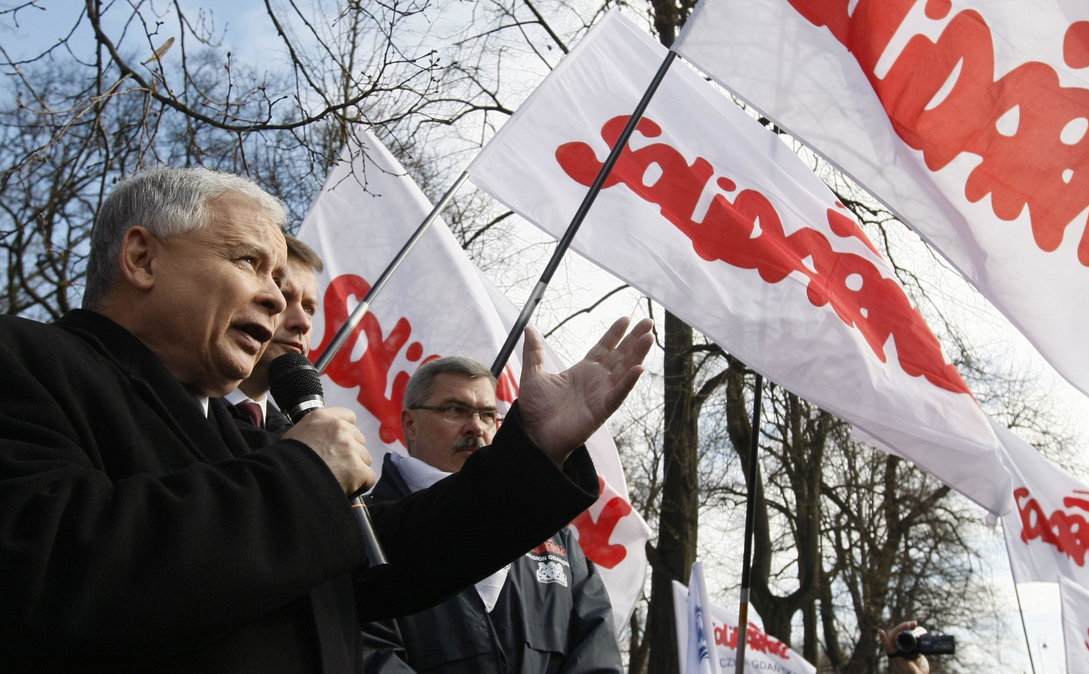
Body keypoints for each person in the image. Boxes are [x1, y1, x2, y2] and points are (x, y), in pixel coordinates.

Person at [0, 166, 654, 672]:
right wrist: (305, 474)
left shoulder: (242, 436)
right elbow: (58, 566)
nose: (276, 296)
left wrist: (532, 450)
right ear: (141, 258)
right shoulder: (25, 365)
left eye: (282, 277)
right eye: (248, 261)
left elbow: (380, 561)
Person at [363, 356, 623, 673]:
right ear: (410, 423)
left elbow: (596, 655)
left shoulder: (557, 538)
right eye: (455, 410)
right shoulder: (362, 530)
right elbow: (364, 655)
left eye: (488, 414)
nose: (476, 426)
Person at [224, 233, 322, 434]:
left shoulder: (298, 439)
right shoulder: (171, 398)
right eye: (284, 297)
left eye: (309, 309)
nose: (303, 322)